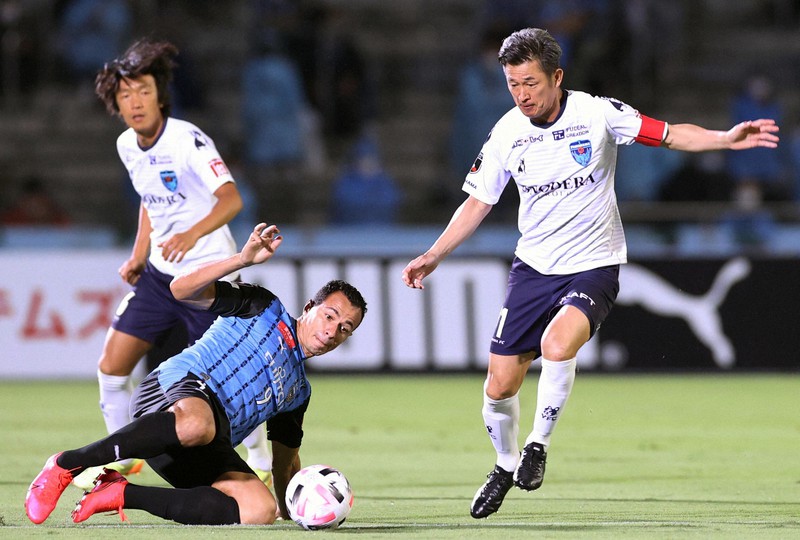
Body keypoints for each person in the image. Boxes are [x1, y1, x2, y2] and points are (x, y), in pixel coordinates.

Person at [400, 28, 780, 519]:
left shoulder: (599, 114)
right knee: (498, 387)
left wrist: (724, 140)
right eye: (513, 84)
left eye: (531, 83)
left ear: (557, 77)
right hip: (534, 269)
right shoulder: (506, 133)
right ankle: (503, 463)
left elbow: (668, 134)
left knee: (559, 345)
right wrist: (434, 254)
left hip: (594, 263)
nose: (523, 95)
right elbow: (478, 202)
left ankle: (537, 445)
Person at [25, 222, 368, 526]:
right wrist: (241, 261)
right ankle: (66, 464)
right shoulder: (263, 305)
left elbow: (285, 462)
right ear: (309, 308)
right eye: (329, 315)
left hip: (196, 445)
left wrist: (295, 509)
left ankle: (120, 494)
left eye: (345, 328)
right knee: (198, 424)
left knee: (258, 510)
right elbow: (180, 290)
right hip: (167, 398)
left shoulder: (299, 392)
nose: (333, 330)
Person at [84, 38, 273, 486]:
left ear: (160, 95)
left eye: (144, 91)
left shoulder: (187, 139)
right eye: (126, 94)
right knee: (111, 368)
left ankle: (261, 459)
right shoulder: (127, 145)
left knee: (230, 378)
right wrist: (138, 253)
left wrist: (191, 234)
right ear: (115, 102)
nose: (135, 102)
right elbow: (151, 200)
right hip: (158, 276)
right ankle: (122, 464)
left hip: (208, 277)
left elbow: (231, 200)